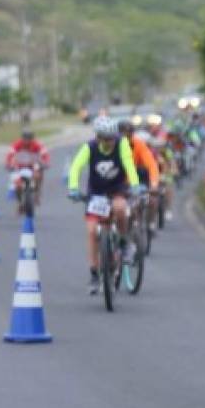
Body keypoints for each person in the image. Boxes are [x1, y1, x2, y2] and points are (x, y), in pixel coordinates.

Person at [67, 116, 143, 294]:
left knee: (120, 208)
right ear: (98, 137)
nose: (110, 142)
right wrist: (73, 188)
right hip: (96, 192)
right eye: (106, 138)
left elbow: (129, 165)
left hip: (117, 189)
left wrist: (135, 185)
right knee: (92, 231)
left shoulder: (121, 144)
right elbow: (76, 167)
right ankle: (94, 274)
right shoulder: (90, 147)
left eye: (112, 138)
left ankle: (124, 243)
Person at [119, 117, 161, 238]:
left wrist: (154, 184)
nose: (124, 137)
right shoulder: (112, 145)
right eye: (121, 134)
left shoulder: (139, 144)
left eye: (127, 134)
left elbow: (152, 165)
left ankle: (149, 223)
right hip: (119, 181)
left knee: (150, 200)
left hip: (138, 178)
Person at [5, 129, 51, 207]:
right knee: (17, 185)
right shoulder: (17, 144)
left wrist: (46, 163)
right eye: (25, 138)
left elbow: (45, 154)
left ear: (32, 138)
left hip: (33, 166)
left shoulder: (37, 145)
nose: (27, 141)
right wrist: (8, 164)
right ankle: (19, 203)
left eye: (29, 138)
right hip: (20, 166)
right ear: (22, 138)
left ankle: (37, 193)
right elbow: (10, 154)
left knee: (38, 175)